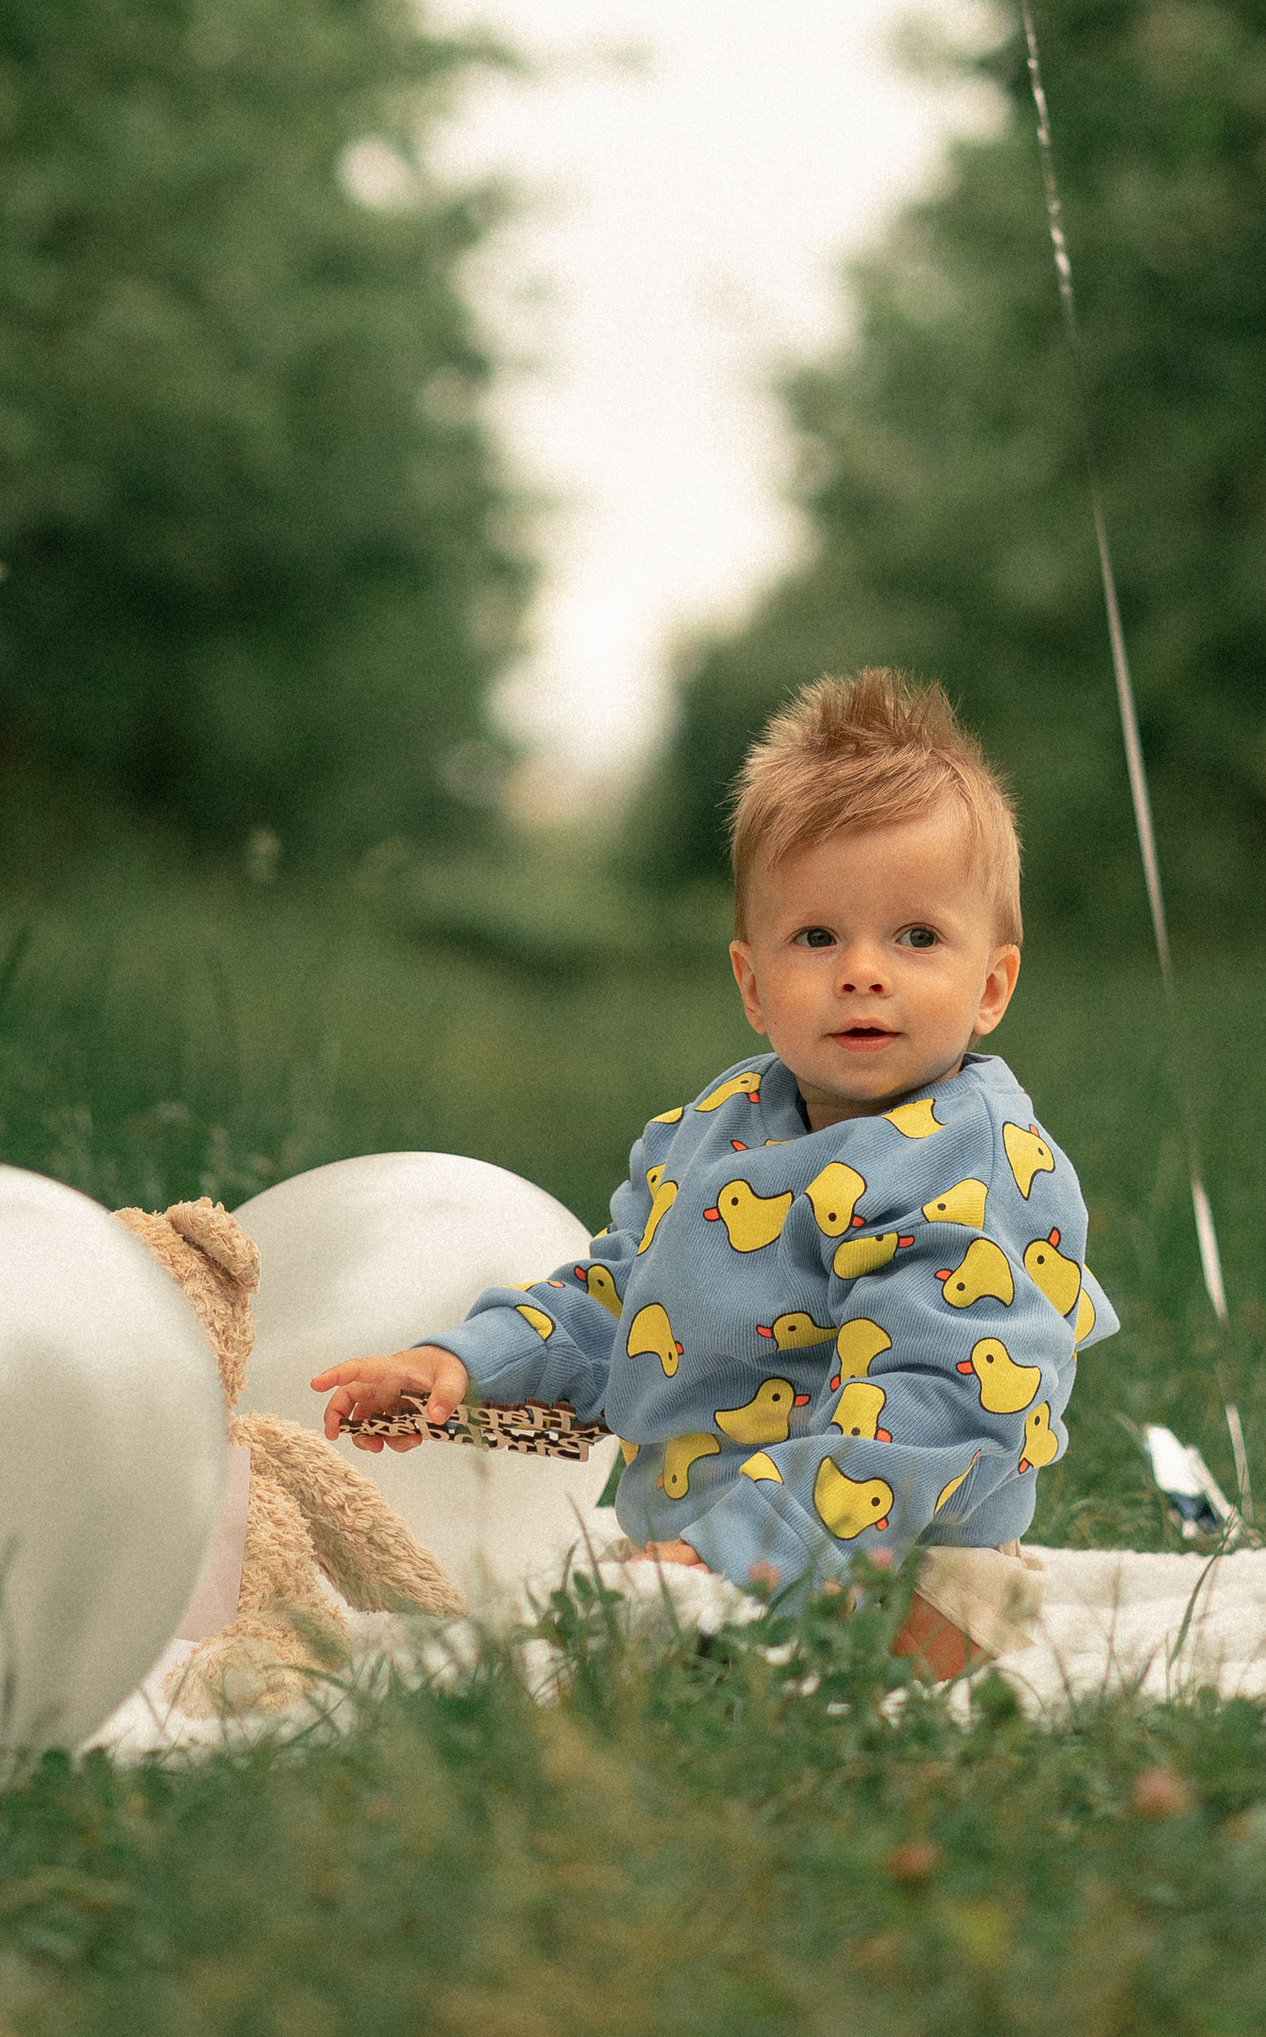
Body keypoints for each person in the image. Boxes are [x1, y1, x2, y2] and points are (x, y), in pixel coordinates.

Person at [309, 667, 1113, 1633]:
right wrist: (464, 1365)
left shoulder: (965, 1163)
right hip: (692, 1549)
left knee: (855, 1642)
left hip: (902, 1562)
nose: (862, 972)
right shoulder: (719, 1128)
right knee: (573, 1660)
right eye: (816, 936)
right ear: (753, 983)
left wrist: (743, 1548)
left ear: (991, 985)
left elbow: (942, 1402)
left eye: (915, 937)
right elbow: (619, 1302)